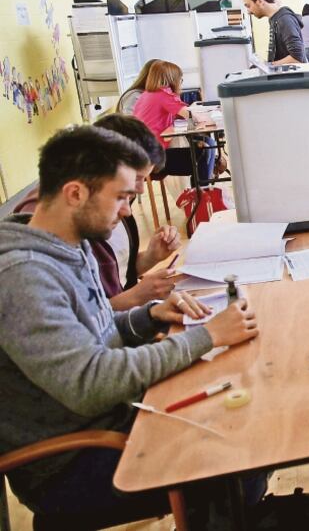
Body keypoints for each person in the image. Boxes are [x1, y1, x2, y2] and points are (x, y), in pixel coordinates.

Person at [0, 125, 262, 527]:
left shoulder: (69, 244)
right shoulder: (23, 276)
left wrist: (148, 315)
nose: (126, 210)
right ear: (76, 193)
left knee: (244, 434)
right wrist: (207, 336)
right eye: (121, 197)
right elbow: (90, 384)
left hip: (112, 422)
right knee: (239, 463)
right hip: (68, 464)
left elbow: (93, 333)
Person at [14, 113, 180, 310]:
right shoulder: (48, 232)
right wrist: (136, 298)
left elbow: (114, 273)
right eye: (137, 178)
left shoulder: (104, 204)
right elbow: (83, 319)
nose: (140, 190)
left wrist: (150, 257)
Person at [133, 59, 217, 184]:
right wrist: (202, 118)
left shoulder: (145, 95)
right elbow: (190, 116)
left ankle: (201, 191)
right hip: (156, 159)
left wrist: (182, 123)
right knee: (204, 150)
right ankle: (201, 192)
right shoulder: (163, 94)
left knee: (208, 143)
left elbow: (169, 123)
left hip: (141, 155)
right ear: (172, 79)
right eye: (180, 79)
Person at [239, 0, 305, 65]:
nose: (248, 11)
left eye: (248, 6)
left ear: (260, 1)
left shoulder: (284, 20)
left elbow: (297, 57)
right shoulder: (275, 19)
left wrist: (269, 66)